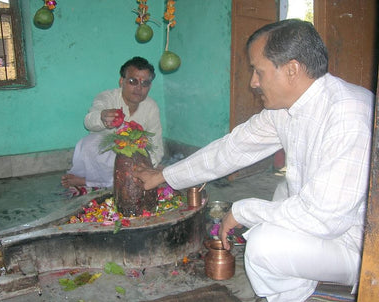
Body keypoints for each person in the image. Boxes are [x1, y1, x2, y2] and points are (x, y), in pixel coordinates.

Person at [133, 19, 374, 301]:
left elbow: (325, 218)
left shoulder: (350, 114)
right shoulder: (287, 108)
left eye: (259, 71)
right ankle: (304, 281)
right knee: (282, 191)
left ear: (292, 69)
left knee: (262, 245)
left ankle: (298, 294)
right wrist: (164, 175)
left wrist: (244, 210)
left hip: (358, 246)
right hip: (323, 224)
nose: (253, 82)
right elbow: (231, 149)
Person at [61, 56, 164, 190]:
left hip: (133, 158)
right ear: (122, 81)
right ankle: (103, 181)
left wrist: (150, 168)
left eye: (145, 83)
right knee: (88, 143)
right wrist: (102, 118)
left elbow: (156, 143)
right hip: (104, 156)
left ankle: (88, 181)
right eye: (133, 81)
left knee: (135, 165)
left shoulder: (151, 106)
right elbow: (88, 122)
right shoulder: (107, 97)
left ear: (149, 86)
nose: (139, 88)